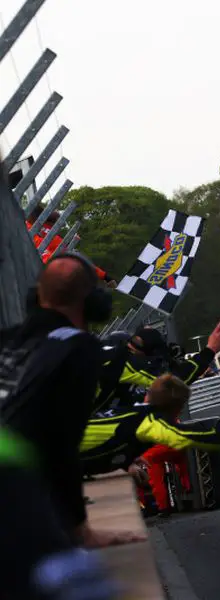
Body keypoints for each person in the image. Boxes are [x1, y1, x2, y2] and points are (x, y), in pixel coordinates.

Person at [0, 252, 142, 597]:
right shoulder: (80, 349)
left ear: (36, 297)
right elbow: (61, 448)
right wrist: (81, 530)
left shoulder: (5, 339)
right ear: (93, 304)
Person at [80, 374, 220, 511]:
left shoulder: (129, 413)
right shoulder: (148, 421)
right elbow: (187, 437)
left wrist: (129, 462)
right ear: (177, 409)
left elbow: (111, 438)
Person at [93, 320, 220, 415]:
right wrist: (210, 350)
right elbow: (174, 382)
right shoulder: (126, 362)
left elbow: (125, 400)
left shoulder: (102, 354)